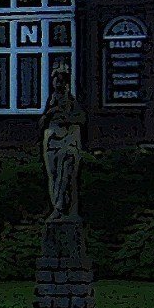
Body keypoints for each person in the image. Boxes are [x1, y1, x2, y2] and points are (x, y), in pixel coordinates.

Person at [41, 66, 85, 220]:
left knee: (65, 175)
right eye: (56, 81)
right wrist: (50, 113)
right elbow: (42, 123)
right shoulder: (51, 101)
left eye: (62, 82)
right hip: (52, 143)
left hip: (67, 142)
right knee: (53, 176)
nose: (59, 85)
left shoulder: (72, 102)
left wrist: (65, 117)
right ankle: (57, 207)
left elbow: (80, 119)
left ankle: (61, 206)